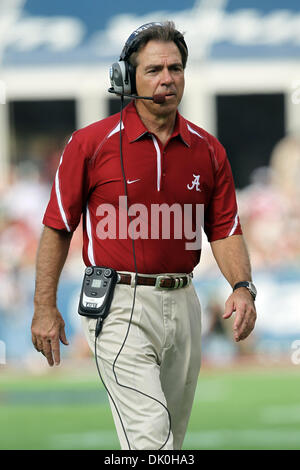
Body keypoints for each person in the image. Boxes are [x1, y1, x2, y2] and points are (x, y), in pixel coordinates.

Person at [31, 21, 257, 450]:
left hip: (185, 302)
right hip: (118, 306)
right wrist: (44, 307)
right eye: (154, 69)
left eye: (175, 68)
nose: (167, 78)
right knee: (153, 441)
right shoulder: (90, 143)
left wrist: (242, 287)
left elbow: (225, 228)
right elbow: (57, 226)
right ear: (126, 78)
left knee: (166, 441)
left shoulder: (209, 149)